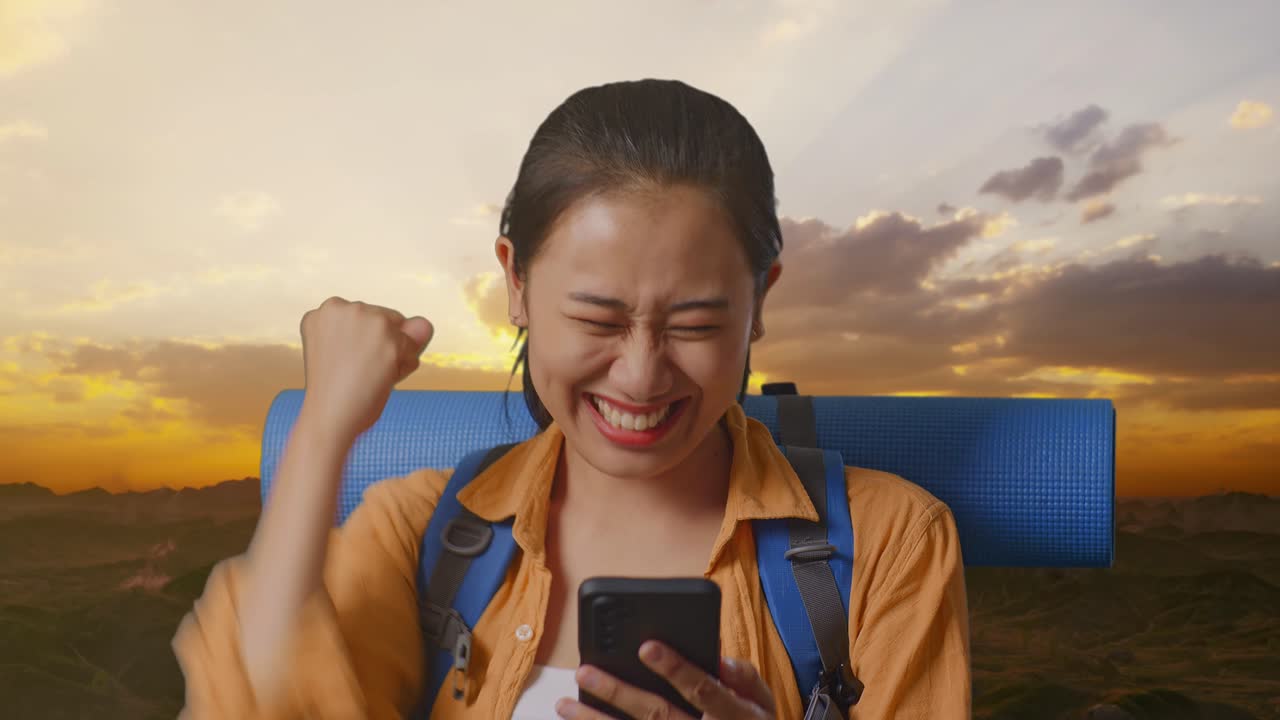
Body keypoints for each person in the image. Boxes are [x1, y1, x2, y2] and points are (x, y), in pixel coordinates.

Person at [172, 78, 971, 719]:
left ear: (762, 301)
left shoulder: (890, 544)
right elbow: (267, 703)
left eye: (694, 324)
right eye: (598, 319)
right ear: (514, 283)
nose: (641, 375)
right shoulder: (420, 533)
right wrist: (322, 430)